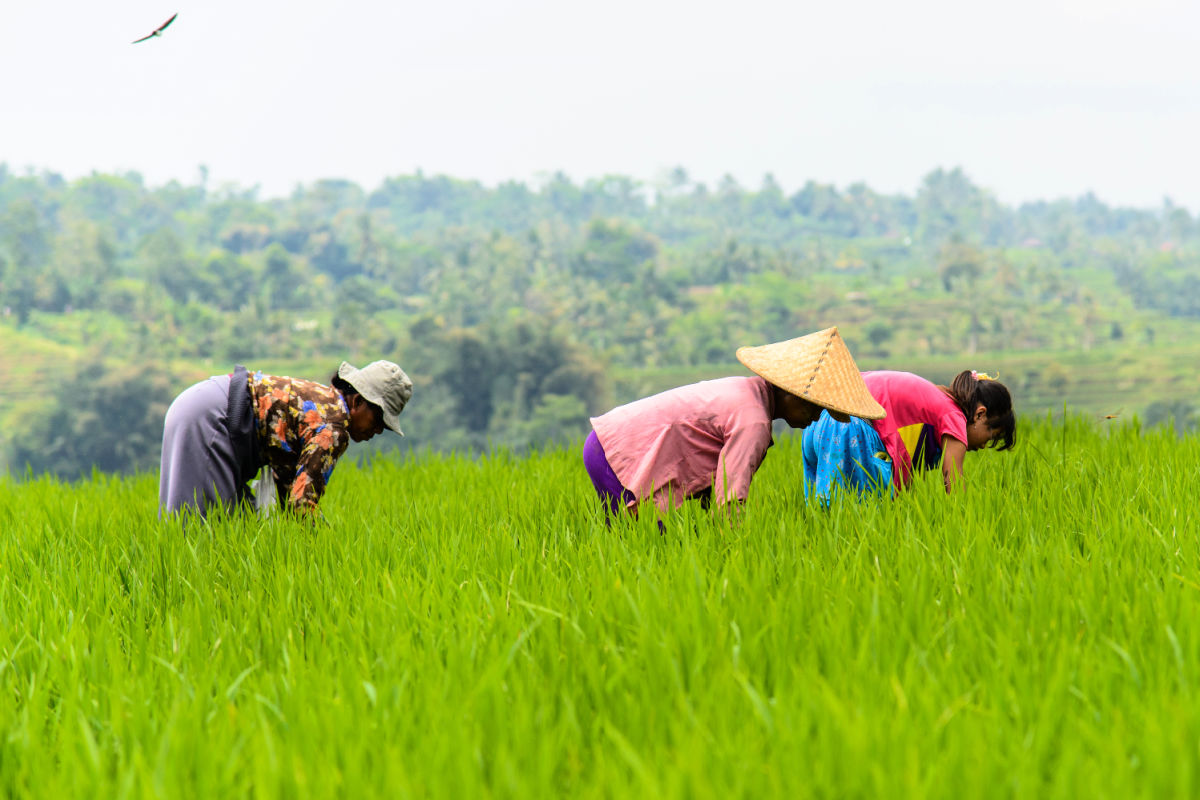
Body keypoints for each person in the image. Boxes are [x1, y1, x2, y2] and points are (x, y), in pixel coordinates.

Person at [583, 327, 885, 517]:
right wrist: (734, 552)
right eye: (815, 407)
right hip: (617, 454)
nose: (817, 417)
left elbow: (711, 478)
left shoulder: (746, 394)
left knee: (650, 545)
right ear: (791, 394)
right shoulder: (753, 421)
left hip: (605, 444)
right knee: (647, 547)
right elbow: (730, 499)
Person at [159, 360, 412, 518]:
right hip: (212, 419)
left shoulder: (324, 403)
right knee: (205, 533)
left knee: (240, 527)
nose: (378, 430)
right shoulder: (334, 428)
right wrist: (331, 554)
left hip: (203, 403)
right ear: (357, 402)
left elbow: (290, 488)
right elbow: (302, 505)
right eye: (378, 419)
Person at [801, 369, 1015, 504]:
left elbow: (907, 470)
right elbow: (953, 481)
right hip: (849, 428)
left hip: (816, 423)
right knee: (860, 514)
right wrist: (967, 525)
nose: (984, 445)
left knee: (828, 512)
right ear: (980, 414)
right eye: (990, 435)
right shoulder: (954, 414)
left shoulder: (931, 403)